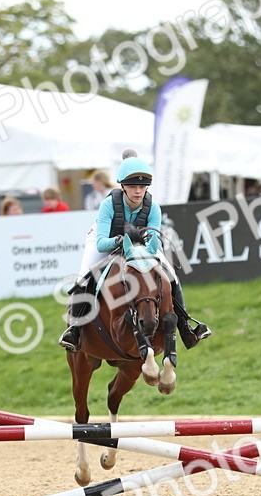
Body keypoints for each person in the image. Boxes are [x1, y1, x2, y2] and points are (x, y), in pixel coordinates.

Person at [58, 149, 211, 353]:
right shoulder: (108, 205)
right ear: (122, 186)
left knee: (171, 275)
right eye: (133, 187)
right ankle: (74, 330)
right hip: (105, 239)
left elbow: (154, 243)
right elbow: (102, 243)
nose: (138, 191)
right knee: (84, 277)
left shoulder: (153, 207)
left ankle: (185, 327)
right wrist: (121, 240)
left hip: (140, 244)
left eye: (142, 186)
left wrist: (142, 249)